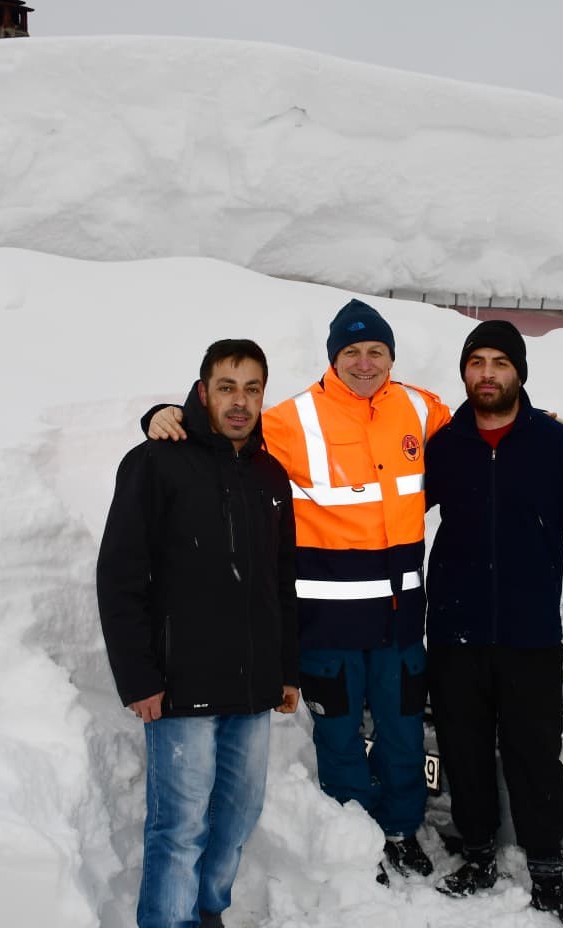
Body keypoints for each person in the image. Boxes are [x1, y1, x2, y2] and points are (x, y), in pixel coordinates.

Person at [144, 300, 452, 881]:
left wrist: (538, 422)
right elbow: (221, 430)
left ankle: (400, 829)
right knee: (339, 740)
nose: (365, 363)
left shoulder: (419, 407)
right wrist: (165, 415)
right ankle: (357, 840)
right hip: (328, 623)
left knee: (403, 733)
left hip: (401, 619)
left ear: (392, 357)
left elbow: (480, 429)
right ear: (333, 358)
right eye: (351, 352)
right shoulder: (291, 420)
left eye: (376, 351)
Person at [96, 339, 300, 928]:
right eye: (227, 387)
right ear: (203, 391)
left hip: (252, 686)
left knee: (237, 816)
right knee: (180, 825)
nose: (240, 402)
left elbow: (281, 579)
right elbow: (120, 575)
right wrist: (138, 676)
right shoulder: (156, 462)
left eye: (253, 389)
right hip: (181, 685)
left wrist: (286, 670)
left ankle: (207, 911)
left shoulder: (269, 475)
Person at [424, 320, 563, 928]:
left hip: (530, 635)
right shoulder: (444, 446)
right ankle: (477, 855)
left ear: (519, 373)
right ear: (464, 372)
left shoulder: (557, 446)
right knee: (465, 748)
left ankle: (548, 874)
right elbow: (391, 508)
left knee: (535, 756)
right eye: (476, 362)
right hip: (454, 632)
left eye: (499, 362)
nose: (487, 374)